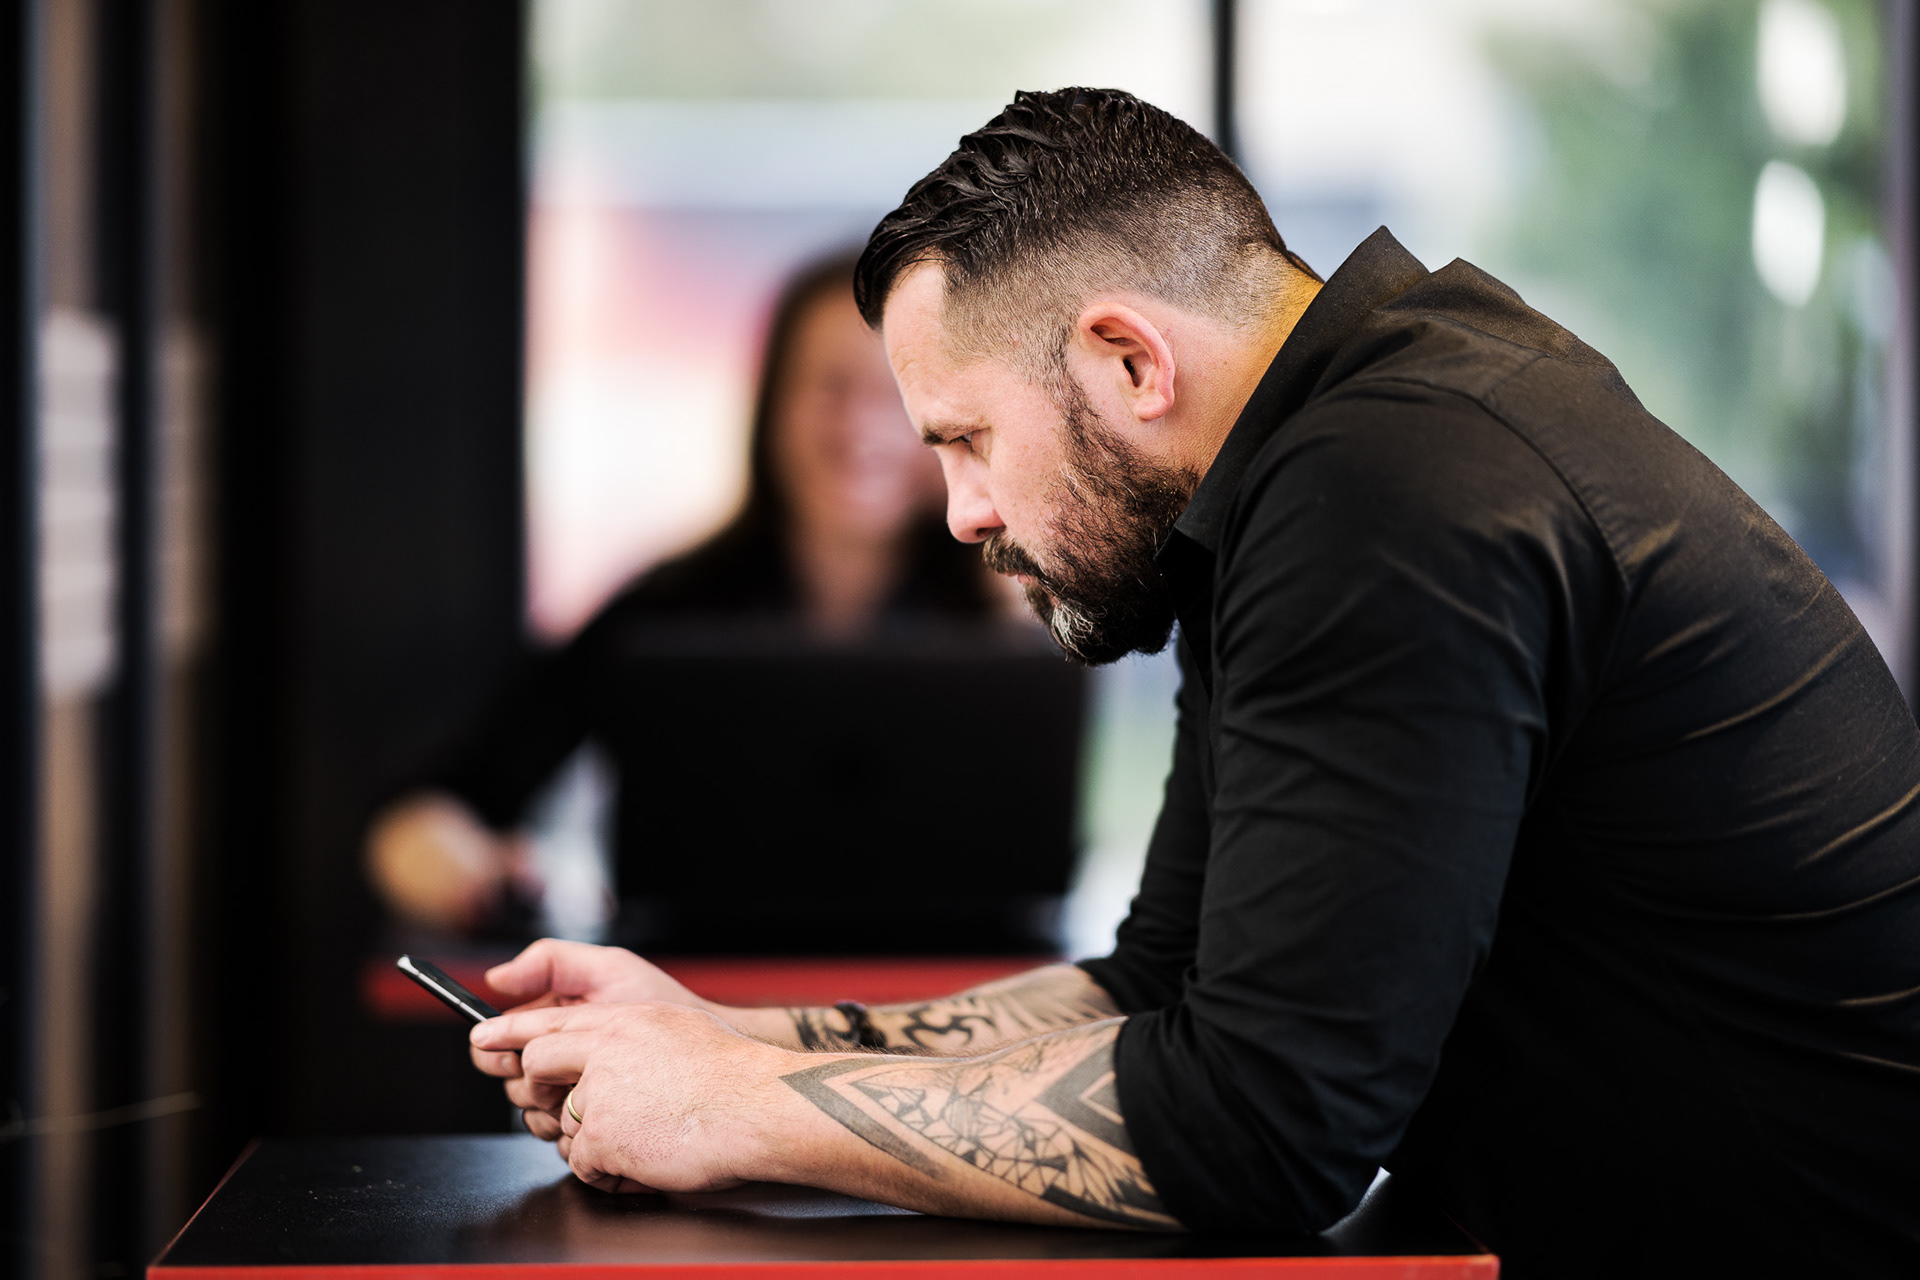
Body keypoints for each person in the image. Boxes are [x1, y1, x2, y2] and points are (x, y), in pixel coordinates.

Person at [459, 89, 1920, 1276]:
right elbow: (1160, 989)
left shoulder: (1385, 493)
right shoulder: (1314, 463)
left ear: (1129, 362)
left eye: (967, 438)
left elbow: (1266, 1128)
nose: (961, 512)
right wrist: (718, 1040)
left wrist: (740, 1110)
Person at [366, 251, 998, 935]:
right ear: (773, 400)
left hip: (949, 994)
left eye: (896, 394)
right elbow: (426, 813)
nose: (860, 425)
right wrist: (473, 879)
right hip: (693, 988)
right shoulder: (662, 611)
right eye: (829, 387)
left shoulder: (1005, 619)